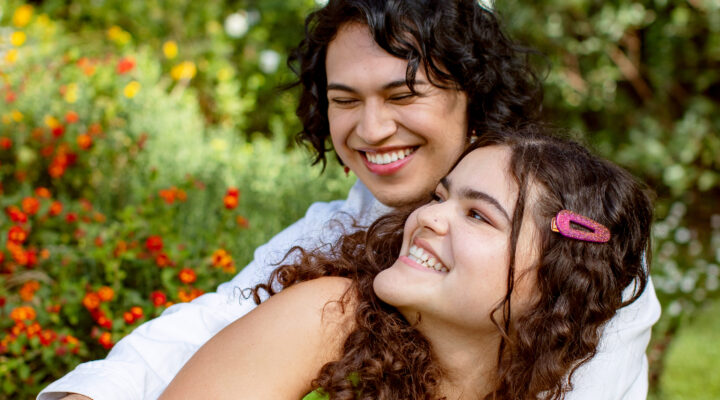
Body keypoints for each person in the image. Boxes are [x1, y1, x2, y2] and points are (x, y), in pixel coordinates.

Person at [40, 1, 659, 399]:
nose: (370, 130)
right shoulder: (333, 250)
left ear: (474, 94)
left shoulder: (586, 260)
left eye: (401, 95)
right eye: (344, 100)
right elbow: (219, 319)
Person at [159, 130, 655, 399]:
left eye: (478, 215)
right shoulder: (327, 318)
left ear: (555, 281)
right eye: (441, 197)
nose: (428, 217)